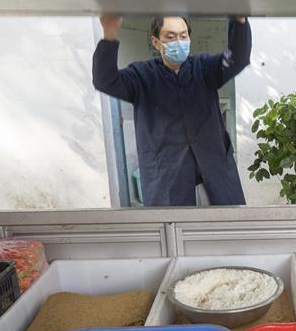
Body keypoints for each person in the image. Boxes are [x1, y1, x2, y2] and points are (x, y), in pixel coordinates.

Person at [92, 15, 251, 206]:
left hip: (215, 176)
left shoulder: (205, 68)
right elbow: (105, 81)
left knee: (224, 223)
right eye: (170, 36)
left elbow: (238, 58)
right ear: (156, 42)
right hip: (168, 182)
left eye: (183, 36)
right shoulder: (141, 76)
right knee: (174, 225)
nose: (178, 42)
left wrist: (239, 21)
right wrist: (109, 34)